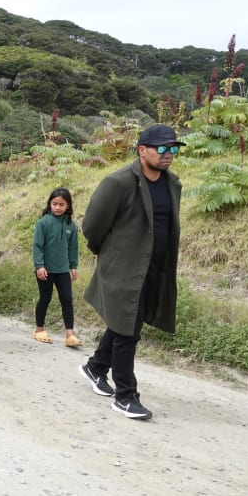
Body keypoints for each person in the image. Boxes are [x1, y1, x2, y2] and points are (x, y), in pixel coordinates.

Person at [78, 124, 183, 421]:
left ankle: (96, 367)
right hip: (124, 269)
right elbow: (92, 227)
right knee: (127, 332)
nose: (168, 154)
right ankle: (126, 395)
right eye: (162, 148)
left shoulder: (172, 183)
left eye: (172, 149)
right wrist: (111, 256)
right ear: (142, 150)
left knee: (127, 324)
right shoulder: (119, 182)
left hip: (155, 270)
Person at [32, 187, 82, 347]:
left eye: (61, 204)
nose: (58, 207)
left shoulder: (71, 225)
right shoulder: (43, 222)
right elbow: (37, 246)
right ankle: (39, 329)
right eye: (54, 204)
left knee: (67, 299)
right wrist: (39, 266)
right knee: (45, 298)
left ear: (68, 206)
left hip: (62, 269)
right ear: (50, 204)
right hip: (45, 269)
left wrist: (73, 266)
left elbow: (73, 247)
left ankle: (70, 334)